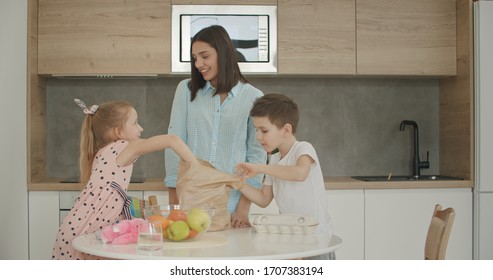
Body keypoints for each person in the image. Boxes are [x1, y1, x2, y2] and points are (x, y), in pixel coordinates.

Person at [52, 99, 198, 260]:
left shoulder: (103, 151)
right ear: (118, 132)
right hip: (84, 233)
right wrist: (198, 170)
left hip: (74, 230)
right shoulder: (125, 146)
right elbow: (173, 140)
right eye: (135, 123)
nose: (140, 128)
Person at [165, 25, 267, 228]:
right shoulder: (185, 91)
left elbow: (256, 157)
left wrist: (243, 209)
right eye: (195, 58)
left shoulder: (253, 97)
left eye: (205, 56)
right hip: (190, 203)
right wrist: (174, 204)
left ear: (224, 53)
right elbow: (174, 146)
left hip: (231, 205)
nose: (199, 64)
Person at [234, 93, 334, 259]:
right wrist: (237, 183)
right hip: (293, 240)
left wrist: (260, 168)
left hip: (317, 240)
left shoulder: (303, 149)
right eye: (256, 130)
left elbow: (299, 173)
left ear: (286, 130)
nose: (258, 136)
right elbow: (263, 199)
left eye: (264, 130)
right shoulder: (274, 159)